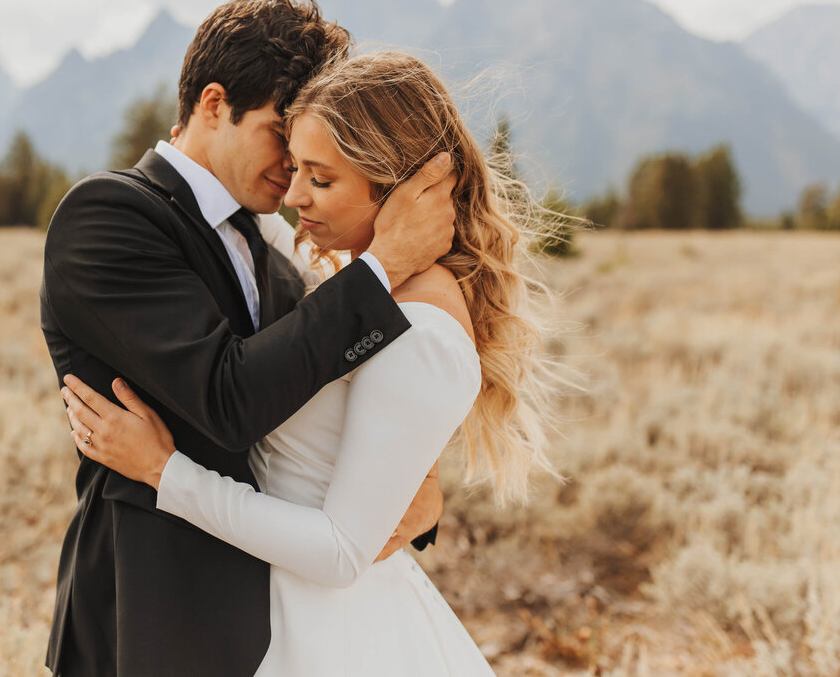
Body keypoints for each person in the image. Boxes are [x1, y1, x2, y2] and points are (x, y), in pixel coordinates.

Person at [61, 51, 561, 675]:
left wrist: (165, 471)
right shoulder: (334, 275)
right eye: (295, 165)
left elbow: (340, 549)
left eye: (320, 179)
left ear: (399, 187)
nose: (293, 194)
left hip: (335, 632)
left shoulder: (422, 327)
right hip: (260, 615)